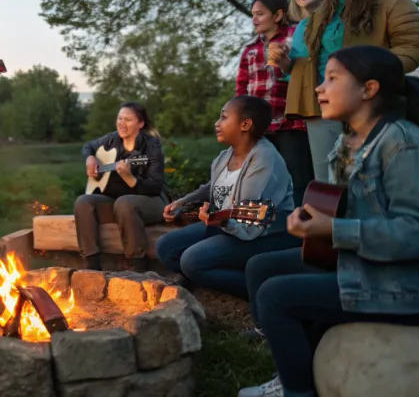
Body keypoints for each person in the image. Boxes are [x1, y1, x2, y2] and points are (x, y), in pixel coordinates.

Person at [239, 46, 419, 397]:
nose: (319, 87)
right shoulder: (350, 142)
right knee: (260, 267)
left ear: (369, 89)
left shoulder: (404, 147)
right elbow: (347, 205)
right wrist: (315, 220)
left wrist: (332, 230)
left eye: (332, 78)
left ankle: (297, 391)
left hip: (407, 285)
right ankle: (292, 365)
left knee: (275, 296)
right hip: (364, 260)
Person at [271, 0, 419, 182]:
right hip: (322, 108)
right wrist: (285, 63)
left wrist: (367, 78)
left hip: (370, 105)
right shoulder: (318, 16)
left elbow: (413, 46)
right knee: (329, 184)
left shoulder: (391, 0)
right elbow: (305, 66)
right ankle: (331, 221)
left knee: (375, 179)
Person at [154, 96, 300, 299]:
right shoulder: (225, 156)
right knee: (165, 247)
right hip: (226, 224)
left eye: (223, 117)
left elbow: (249, 221)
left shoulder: (264, 159)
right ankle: (208, 275)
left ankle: (262, 289)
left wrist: (218, 219)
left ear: (245, 124)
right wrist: (183, 201)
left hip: (264, 232)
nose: (216, 123)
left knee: (191, 261)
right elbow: (212, 187)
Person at [236, 0, 312, 205]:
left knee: (298, 177)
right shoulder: (250, 48)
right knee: (265, 178)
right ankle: (269, 225)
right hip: (262, 126)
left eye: (260, 14)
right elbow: (242, 87)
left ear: (278, 15)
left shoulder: (296, 35)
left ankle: (300, 229)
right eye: (253, 15)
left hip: (291, 122)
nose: (255, 19)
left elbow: (305, 72)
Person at [74, 102, 166, 272]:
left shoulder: (151, 146)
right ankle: (92, 266)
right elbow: (88, 146)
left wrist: (130, 178)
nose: (122, 123)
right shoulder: (111, 139)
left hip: (151, 201)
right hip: (117, 204)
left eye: (128, 120)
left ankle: (138, 267)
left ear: (140, 123)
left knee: (125, 203)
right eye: (119, 118)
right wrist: (90, 158)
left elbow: (154, 186)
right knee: (83, 202)